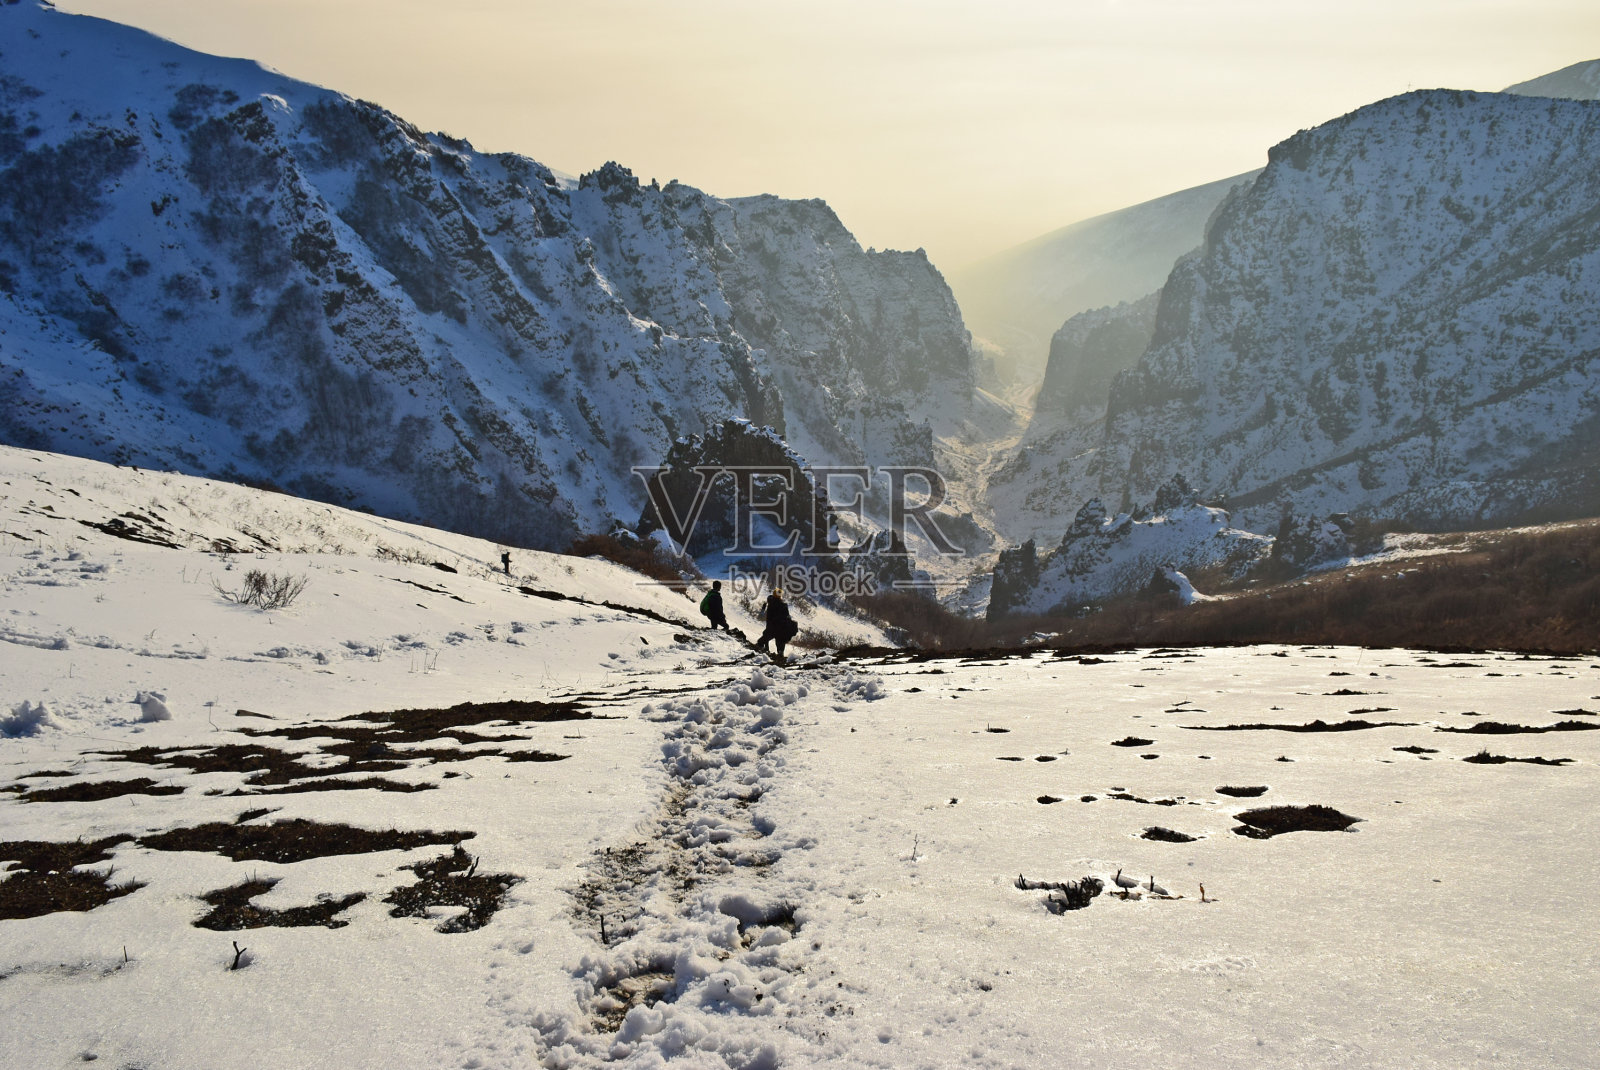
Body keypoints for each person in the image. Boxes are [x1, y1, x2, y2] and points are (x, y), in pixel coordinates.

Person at [756, 587, 799, 663]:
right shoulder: (784, 606)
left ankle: (762, 656)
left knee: (760, 642)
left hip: (772, 629)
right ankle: (780, 659)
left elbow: (760, 618)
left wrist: (763, 608)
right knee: (780, 648)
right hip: (782, 630)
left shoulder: (771, 606)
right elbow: (788, 617)